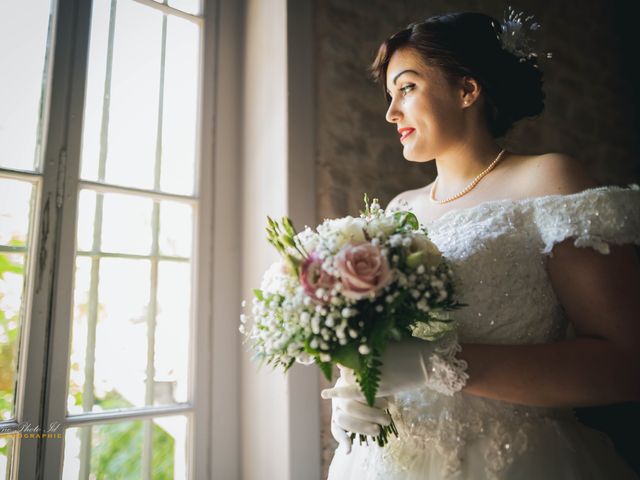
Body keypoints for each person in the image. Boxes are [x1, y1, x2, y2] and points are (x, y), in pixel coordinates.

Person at [320, 10, 640, 480]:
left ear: (468, 90)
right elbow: (381, 347)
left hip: (514, 459)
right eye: (390, 96)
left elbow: (626, 362)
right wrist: (355, 394)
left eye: (407, 88)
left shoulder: (549, 179)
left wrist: (438, 361)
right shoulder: (395, 210)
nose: (391, 113)